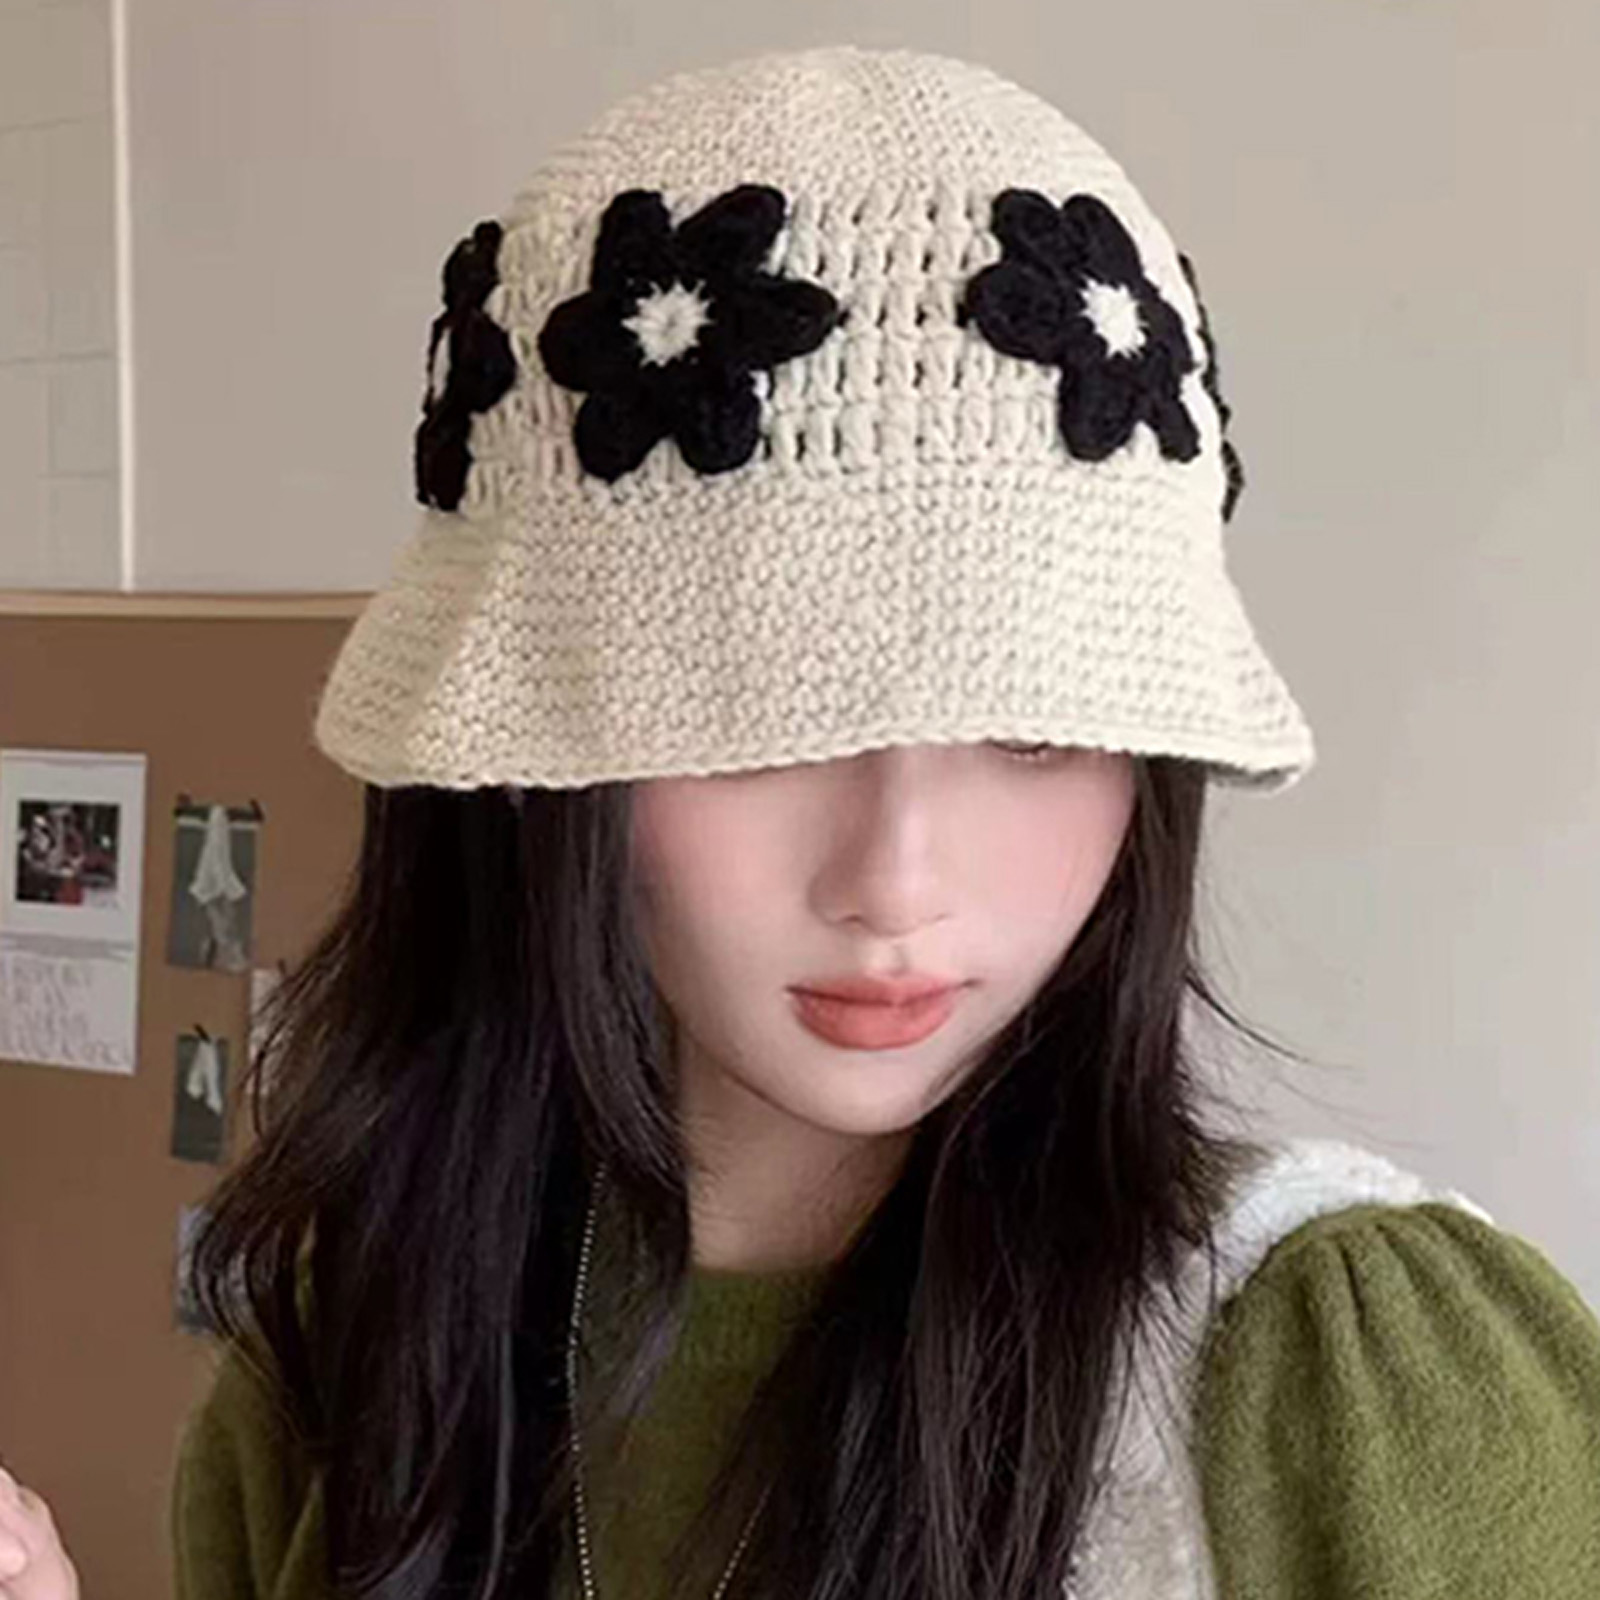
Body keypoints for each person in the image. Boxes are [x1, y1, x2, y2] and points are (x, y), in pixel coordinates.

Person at [165, 42, 1600, 1600]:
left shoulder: (1344, 1379)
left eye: (1037, 729)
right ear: (537, 759)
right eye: (762, 723)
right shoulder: (355, 1355)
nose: (897, 882)